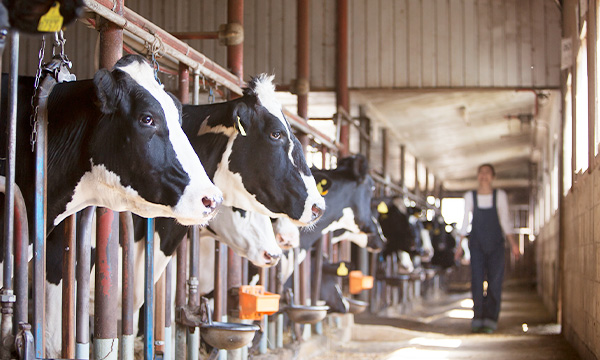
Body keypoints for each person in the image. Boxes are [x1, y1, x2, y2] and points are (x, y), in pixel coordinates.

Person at [455, 163, 520, 334]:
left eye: (487, 173)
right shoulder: (470, 196)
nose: (484, 176)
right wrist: (459, 245)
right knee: (476, 281)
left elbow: (505, 221)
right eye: (481, 173)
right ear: (477, 176)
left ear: (493, 177)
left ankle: (491, 319)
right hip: (476, 244)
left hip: (496, 245)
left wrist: (513, 244)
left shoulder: (500, 196)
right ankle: (478, 318)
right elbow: (464, 222)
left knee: (495, 282)